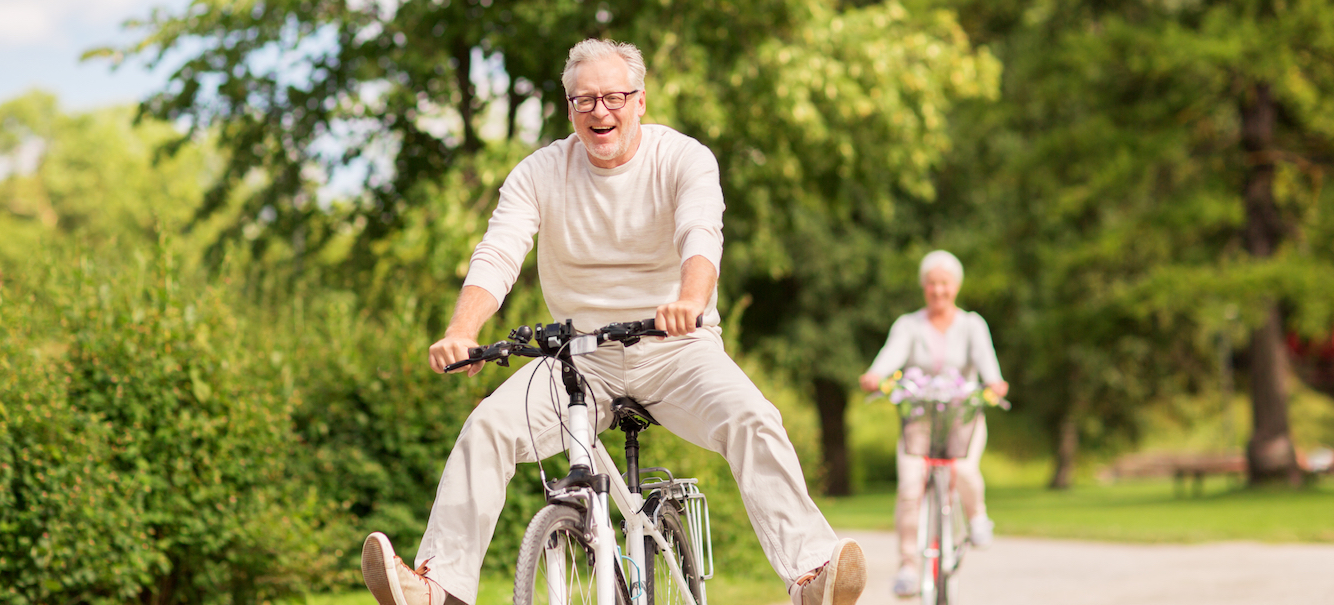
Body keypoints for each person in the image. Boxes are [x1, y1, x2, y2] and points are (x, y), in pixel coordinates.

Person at [360, 39, 868, 605]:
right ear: (569, 108)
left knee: (753, 418)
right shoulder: (540, 172)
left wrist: (689, 300)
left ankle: (810, 577)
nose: (600, 111)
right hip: (579, 359)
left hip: (677, 349)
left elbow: (701, 233)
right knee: (487, 431)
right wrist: (462, 331)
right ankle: (440, 590)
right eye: (584, 101)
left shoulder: (683, 158)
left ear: (641, 101)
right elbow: (499, 251)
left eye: (613, 97)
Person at [857, 250, 1008, 598]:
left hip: (962, 418)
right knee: (910, 486)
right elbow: (889, 357)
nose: (938, 291)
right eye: (932, 284)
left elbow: (989, 368)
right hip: (920, 420)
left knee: (965, 470)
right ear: (924, 287)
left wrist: (995, 384)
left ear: (955, 287)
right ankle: (908, 567)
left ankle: (977, 517)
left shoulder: (973, 325)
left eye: (945, 284)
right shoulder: (909, 325)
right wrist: (875, 375)